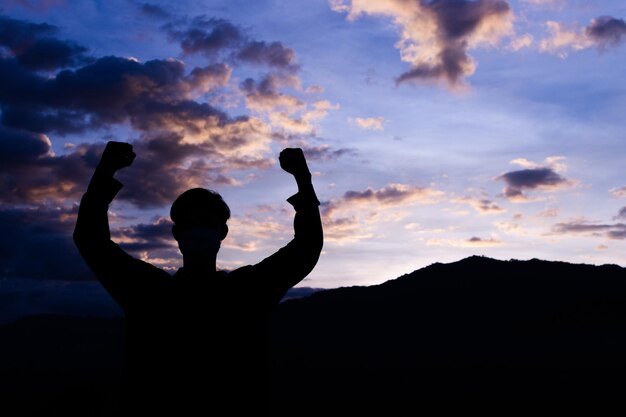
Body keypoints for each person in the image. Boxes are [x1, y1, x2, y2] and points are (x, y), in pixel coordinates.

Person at [73, 141, 323, 414]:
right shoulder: (149, 291)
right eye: (191, 224)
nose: (199, 231)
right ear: (177, 234)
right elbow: (91, 240)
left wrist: (303, 178)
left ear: (222, 233)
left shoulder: (248, 290)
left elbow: (306, 247)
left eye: (207, 224)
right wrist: (105, 171)